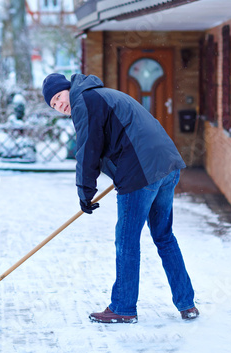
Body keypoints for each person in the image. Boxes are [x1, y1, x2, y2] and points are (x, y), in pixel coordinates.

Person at [42, 73, 199, 323]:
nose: (59, 105)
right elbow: (114, 140)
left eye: (59, 97)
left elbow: (88, 149)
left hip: (142, 171)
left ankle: (123, 308)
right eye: (53, 105)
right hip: (167, 165)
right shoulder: (100, 96)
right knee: (164, 237)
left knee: (126, 241)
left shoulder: (84, 101)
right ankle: (187, 304)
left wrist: (84, 191)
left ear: (68, 89)